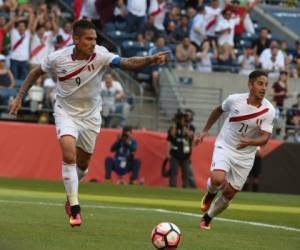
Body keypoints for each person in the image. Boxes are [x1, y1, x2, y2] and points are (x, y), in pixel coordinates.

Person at [9, 19, 169, 227]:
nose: (93, 42)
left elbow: (127, 63)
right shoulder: (58, 58)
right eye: (88, 39)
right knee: (68, 154)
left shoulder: (101, 54)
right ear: (76, 39)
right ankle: (75, 208)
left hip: (91, 116)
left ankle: (72, 192)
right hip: (65, 112)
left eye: (94, 38)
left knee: (83, 165)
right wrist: (20, 96)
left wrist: (149, 60)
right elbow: (34, 73)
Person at [194, 70, 275, 230]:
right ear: (250, 85)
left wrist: (250, 141)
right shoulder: (234, 100)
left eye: (266, 84)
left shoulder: (269, 110)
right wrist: (204, 130)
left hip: (246, 155)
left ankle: (208, 217)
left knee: (230, 193)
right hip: (226, 146)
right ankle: (211, 193)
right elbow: (218, 110)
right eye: (260, 83)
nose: (264, 87)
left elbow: (265, 138)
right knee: (217, 179)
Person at [167, 110, 194, 188]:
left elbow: (191, 135)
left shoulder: (190, 127)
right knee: (174, 171)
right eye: (182, 118)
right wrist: (167, 153)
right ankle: (172, 186)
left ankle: (185, 186)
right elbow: (170, 137)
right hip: (175, 153)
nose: (184, 120)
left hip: (185, 154)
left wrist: (184, 127)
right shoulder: (174, 126)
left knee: (186, 172)